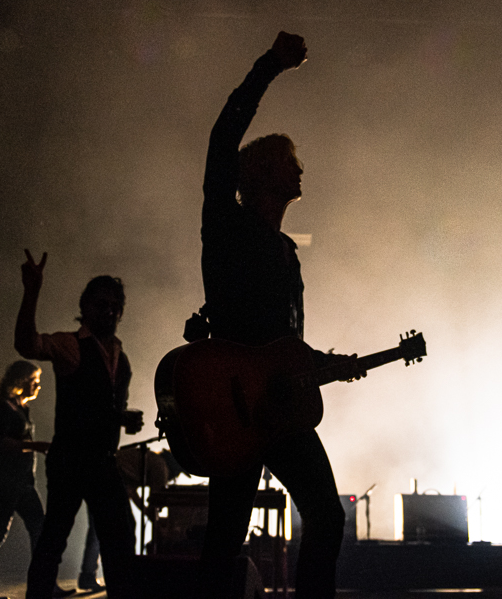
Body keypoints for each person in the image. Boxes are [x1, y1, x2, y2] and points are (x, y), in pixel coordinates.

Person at [195, 32, 361, 598]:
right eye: (291, 164)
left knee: (327, 516)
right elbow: (222, 137)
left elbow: (285, 342)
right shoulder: (225, 225)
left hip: (280, 407)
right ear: (264, 172)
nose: (301, 173)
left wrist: (322, 366)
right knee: (224, 540)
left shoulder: (288, 253)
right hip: (233, 404)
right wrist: (269, 65)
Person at [15, 251, 144, 599]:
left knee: (117, 537)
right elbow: (26, 344)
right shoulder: (70, 345)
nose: (110, 310)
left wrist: (123, 418)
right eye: (102, 304)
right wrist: (32, 291)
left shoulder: (121, 357)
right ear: (85, 307)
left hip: (101, 460)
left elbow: (102, 407)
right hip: (72, 459)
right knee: (56, 540)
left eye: (115, 305)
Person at [0, 361, 66, 599]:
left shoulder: (20, 408)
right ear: (21, 380)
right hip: (6, 482)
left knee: (38, 530)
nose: (38, 385)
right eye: (34, 380)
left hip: (23, 483)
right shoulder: (2, 409)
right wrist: (36, 446)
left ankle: (44, 585)